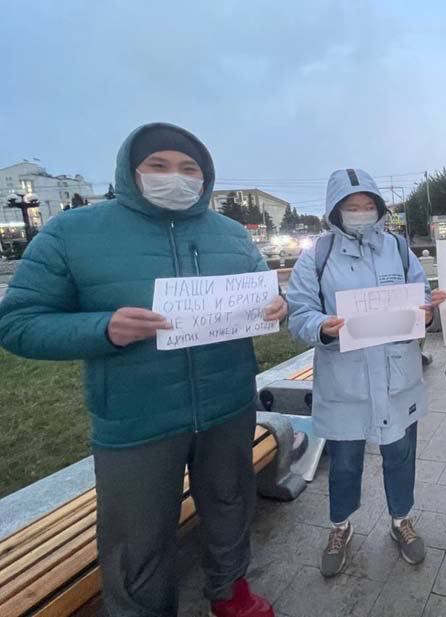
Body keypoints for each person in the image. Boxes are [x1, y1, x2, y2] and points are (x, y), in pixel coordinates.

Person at [0, 123, 285, 617]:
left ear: (205, 177)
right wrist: (102, 328)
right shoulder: (73, 233)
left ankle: (230, 591)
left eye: (189, 169)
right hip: (136, 420)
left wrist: (276, 305)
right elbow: (18, 322)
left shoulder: (230, 233)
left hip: (227, 406)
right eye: (158, 165)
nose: (175, 177)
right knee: (137, 534)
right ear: (131, 172)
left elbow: (264, 290)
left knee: (229, 504)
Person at [286, 168, 446, 577]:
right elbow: (299, 313)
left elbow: (422, 295)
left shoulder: (398, 249)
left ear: (379, 208)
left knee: (400, 454)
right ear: (335, 211)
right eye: (351, 207)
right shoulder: (317, 256)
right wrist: (322, 327)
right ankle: (340, 525)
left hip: (396, 377)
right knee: (344, 461)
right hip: (346, 379)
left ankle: (401, 519)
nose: (361, 213)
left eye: (367, 205)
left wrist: (426, 314)